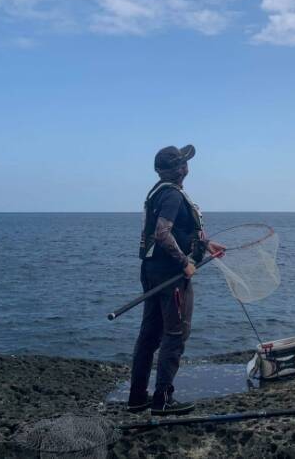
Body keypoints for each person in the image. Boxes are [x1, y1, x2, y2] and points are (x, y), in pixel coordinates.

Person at [128, 145, 225, 416]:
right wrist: (185, 263)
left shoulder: (157, 192)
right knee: (175, 334)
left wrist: (206, 245)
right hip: (171, 276)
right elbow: (162, 233)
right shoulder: (171, 195)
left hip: (151, 271)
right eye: (184, 163)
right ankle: (162, 400)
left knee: (149, 334)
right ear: (180, 169)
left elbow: (180, 232)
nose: (187, 167)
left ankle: (137, 397)